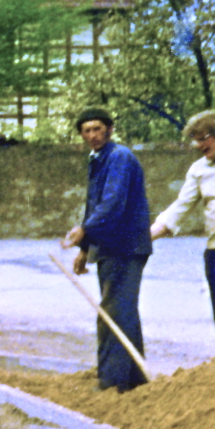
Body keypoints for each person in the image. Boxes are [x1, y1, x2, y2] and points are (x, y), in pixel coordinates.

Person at [61, 107, 152, 392]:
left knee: (113, 313)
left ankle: (112, 382)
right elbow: (95, 205)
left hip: (125, 246)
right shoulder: (99, 159)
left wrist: (84, 231)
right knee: (121, 310)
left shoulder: (119, 157)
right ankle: (135, 379)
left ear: (109, 129)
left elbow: (112, 204)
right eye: (86, 131)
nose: (92, 135)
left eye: (97, 129)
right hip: (111, 247)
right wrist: (86, 250)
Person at [150, 109, 215, 350]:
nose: (198, 145)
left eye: (203, 138)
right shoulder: (199, 170)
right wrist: (147, 236)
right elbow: (179, 208)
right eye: (195, 139)